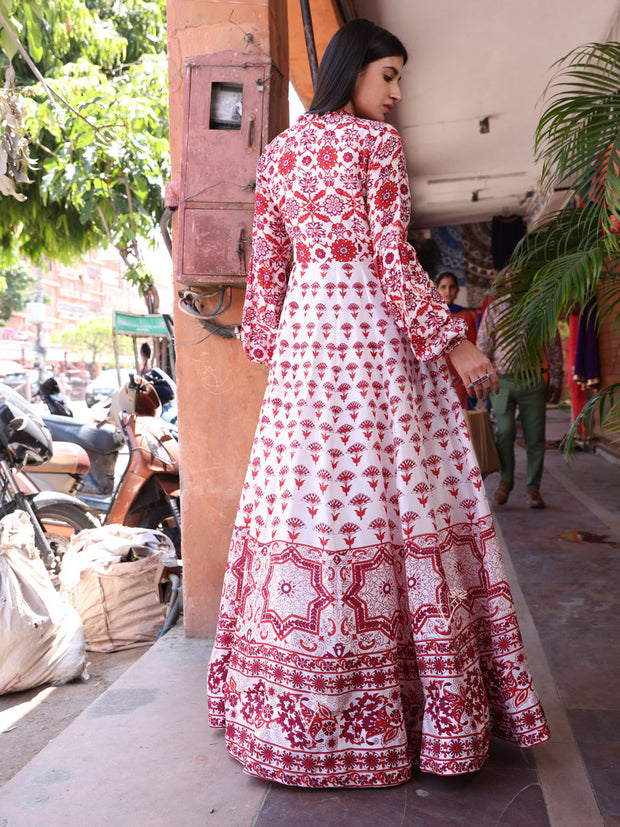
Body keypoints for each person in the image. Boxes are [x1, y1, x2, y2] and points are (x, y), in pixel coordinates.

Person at [207, 19, 549, 787]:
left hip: (305, 362)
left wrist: (279, 352)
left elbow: (265, 273)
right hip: (370, 348)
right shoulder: (375, 148)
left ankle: (288, 722)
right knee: (397, 510)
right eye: (388, 75)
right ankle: (418, 715)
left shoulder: (280, 155)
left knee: (309, 515)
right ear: (352, 70)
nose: (396, 94)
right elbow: (393, 258)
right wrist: (453, 343)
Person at [477, 292, 564, 508]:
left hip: (533, 382)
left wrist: (556, 377)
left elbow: (553, 344)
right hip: (502, 383)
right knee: (504, 431)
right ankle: (506, 480)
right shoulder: (496, 308)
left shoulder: (542, 305)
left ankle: (533, 487)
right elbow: (484, 345)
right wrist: (481, 380)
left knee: (535, 437)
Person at [435, 271, 480, 408]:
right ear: (436, 290)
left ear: (457, 290)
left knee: (463, 417)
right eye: (443, 287)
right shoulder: (432, 317)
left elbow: (472, 347)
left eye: (451, 287)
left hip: (461, 375)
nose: (447, 291)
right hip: (438, 374)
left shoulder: (466, 316)